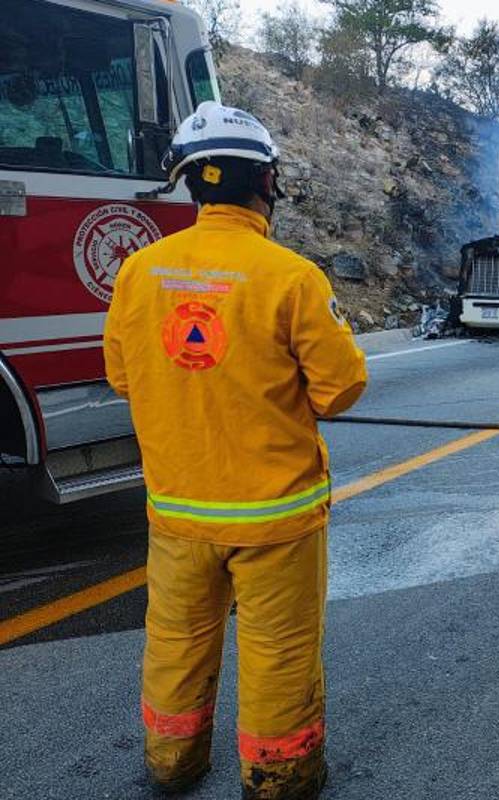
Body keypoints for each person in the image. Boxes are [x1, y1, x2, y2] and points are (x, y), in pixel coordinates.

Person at [103, 101, 367, 800]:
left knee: (176, 642)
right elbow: (340, 390)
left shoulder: (139, 273)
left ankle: (171, 764)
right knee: (278, 652)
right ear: (267, 184)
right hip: (275, 517)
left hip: (179, 515)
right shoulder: (291, 276)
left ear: (190, 184)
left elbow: (122, 374)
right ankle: (279, 776)